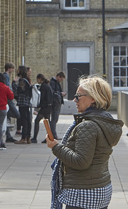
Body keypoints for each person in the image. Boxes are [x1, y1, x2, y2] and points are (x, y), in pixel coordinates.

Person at [46, 76, 123, 209]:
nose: (74, 100)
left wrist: (55, 147)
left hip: (83, 193)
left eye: (78, 96)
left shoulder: (88, 125)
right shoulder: (105, 120)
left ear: (93, 98)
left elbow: (81, 161)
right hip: (100, 189)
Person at [14, 66, 34, 144]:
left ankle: (24, 138)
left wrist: (14, 83)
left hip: (23, 102)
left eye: (18, 70)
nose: (17, 71)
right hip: (27, 101)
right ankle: (28, 137)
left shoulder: (22, 80)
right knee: (28, 119)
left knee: (24, 119)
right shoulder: (27, 80)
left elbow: (19, 90)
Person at [33, 73, 55, 143]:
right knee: (47, 122)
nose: (37, 81)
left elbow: (42, 97)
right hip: (49, 106)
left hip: (45, 107)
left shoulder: (43, 86)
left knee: (37, 120)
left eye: (37, 79)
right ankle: (49, 138)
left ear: (39, 79)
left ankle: (34, 138)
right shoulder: (48, 85)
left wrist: (38, 106)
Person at [47, 72, 66, 142]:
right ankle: (53, 134)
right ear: (58, 76)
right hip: (55, 103)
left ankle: (53, 134)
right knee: (54, 119)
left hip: (57, 102)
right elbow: (53, 92)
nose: (61, 80)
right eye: (61, 79)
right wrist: (60, 93)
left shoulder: (56, 82)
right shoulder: (53, 82)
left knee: (55, 119)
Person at [3, 62, 19, 143]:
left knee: (7, 119)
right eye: (12, 68)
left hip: (8, 99)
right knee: (16, 114)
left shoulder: (7, 76)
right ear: (8, 68)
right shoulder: (6, 76)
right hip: (8, 99)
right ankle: (8, 135)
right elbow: (7, 87)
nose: (13, 70)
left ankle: (8, 135)